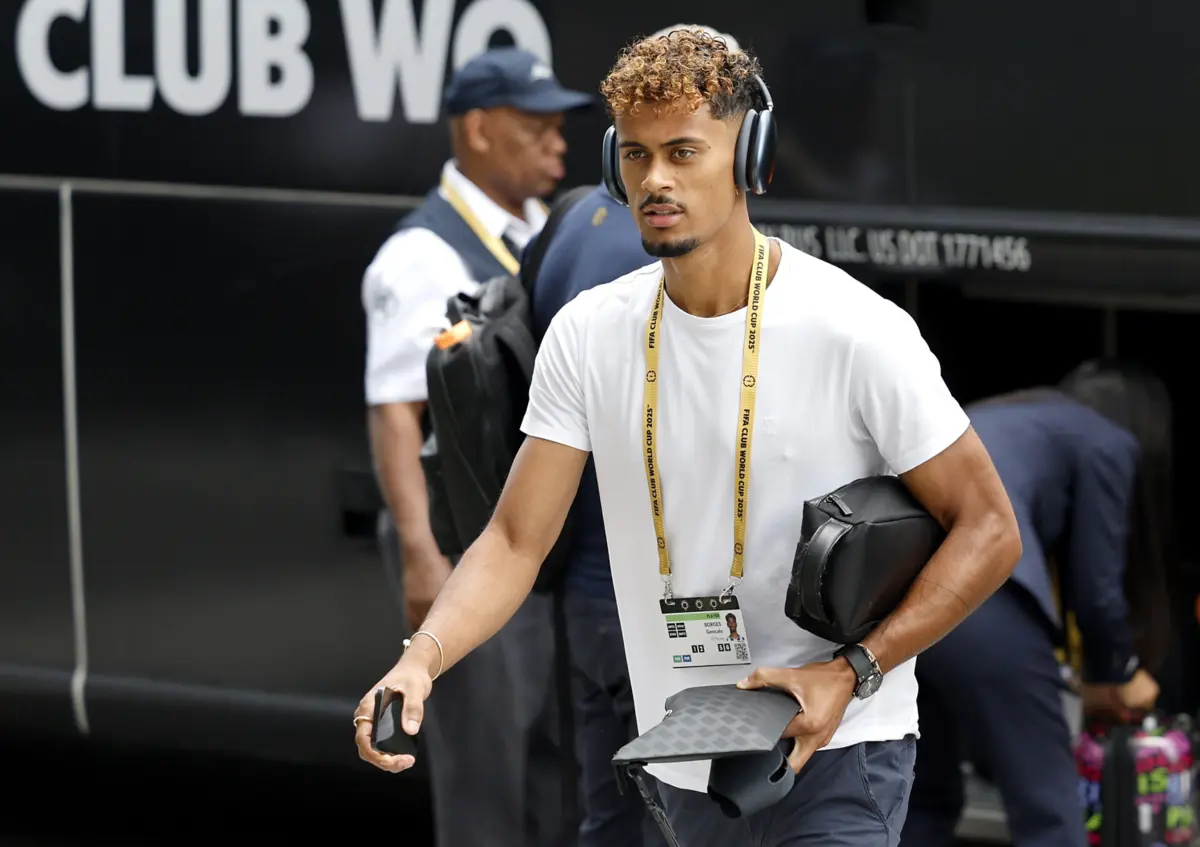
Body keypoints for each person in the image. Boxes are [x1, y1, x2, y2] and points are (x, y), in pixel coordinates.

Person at [355, 28, 1022, 847]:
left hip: (841, 748)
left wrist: (851, 672)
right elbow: (516, 540)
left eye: (683, 151)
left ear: (752, 161)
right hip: (686, 758)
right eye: (634, 156)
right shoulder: (588, 334)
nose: (655, 180)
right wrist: (421, 656)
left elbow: (990, 527)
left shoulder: (857, 331)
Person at [359, 46, 591, 847]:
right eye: (538, 128)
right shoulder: (420, 253)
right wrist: (425, 560)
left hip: (523, 528)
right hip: (460, 536)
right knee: (487, 767)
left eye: (562, 128)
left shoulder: (533, 228)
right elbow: (395, 413)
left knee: (553, 756)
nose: (559, 145)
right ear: (480, 128)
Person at [902, 360, 1179, 847]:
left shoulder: (1005, 416)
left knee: (925, 799)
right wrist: (1115, 674)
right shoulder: (1108, 441)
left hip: (898, 605)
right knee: (1048, 812)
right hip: (982, 604)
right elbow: (1097, 587)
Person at [528, 177, 664, 847]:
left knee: (608, 820)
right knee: (685, 821)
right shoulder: (667, 253)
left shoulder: (573, 218)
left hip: (584, 600)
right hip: (646, 614)